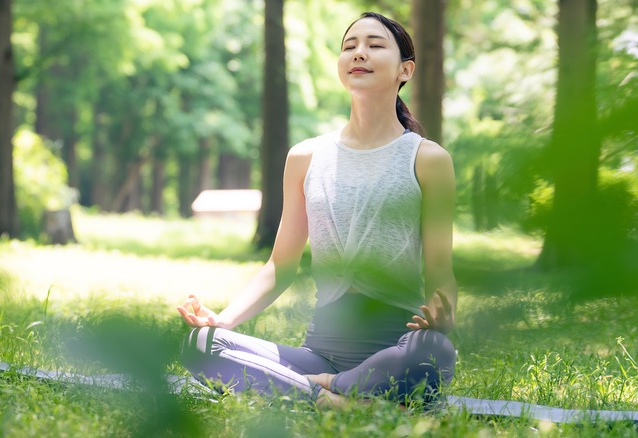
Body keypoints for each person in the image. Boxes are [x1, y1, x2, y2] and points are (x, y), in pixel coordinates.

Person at [178, 11, 457, 406]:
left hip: (395, 348)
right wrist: (222, 320)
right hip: (318, 353)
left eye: (375, 46)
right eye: (350, 46)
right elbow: (280, 266)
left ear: (405, 70)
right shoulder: (305, 157)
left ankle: (322, 387)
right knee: (201, 343)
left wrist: (443, 316)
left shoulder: (428, 160)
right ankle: (332, 397)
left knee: (434, 353)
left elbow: (441, 271)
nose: (359, 53)